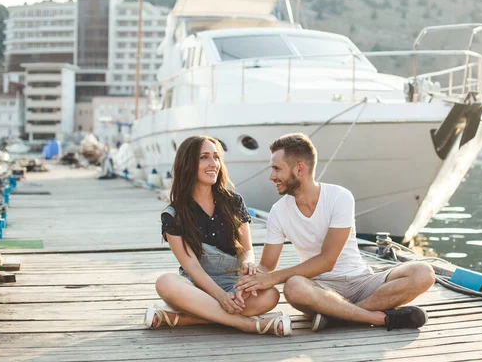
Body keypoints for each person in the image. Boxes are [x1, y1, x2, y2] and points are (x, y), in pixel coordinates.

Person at [235, 133, 435, 332]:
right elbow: (267, 265)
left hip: (361, 282)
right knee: (293, 287)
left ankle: (338, 317)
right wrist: (250, 276)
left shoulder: (339, 197)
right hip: (320, 291)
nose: (272, 176)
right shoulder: (278, 212)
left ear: (299, 169)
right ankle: (376, 317)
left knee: (423, 272)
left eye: (277, 169)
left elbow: (327, 260)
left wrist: (273, 278)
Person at [144, 135, 291, 336]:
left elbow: (246, 250)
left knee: (271, 296)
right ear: (188, 164)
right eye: (204, 157)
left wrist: (247, 264)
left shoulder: (233, 202)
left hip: (232, 283)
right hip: (195, 287)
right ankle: (247, 324)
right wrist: (220, 297)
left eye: (216, 157)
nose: (213, 164)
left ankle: (188, 319)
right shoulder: (173, 215)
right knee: (165, 283)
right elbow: (192, 267)